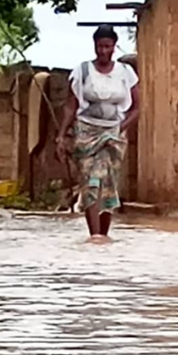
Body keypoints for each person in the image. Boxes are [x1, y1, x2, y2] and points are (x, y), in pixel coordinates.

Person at [56, 25, 139, 239]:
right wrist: (61, 134)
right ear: (94, 46)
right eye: (100, 46)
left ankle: (104, 233)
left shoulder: (125, 73)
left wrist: (120, 128)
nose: (103, 51)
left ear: (114, 46)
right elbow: (70, 105)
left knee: (108, 183)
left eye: (108, 46)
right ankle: (95, 235)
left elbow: (137, 107)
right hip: (85, 133)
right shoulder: (82, 71)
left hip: (114, 135)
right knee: (91, 181)